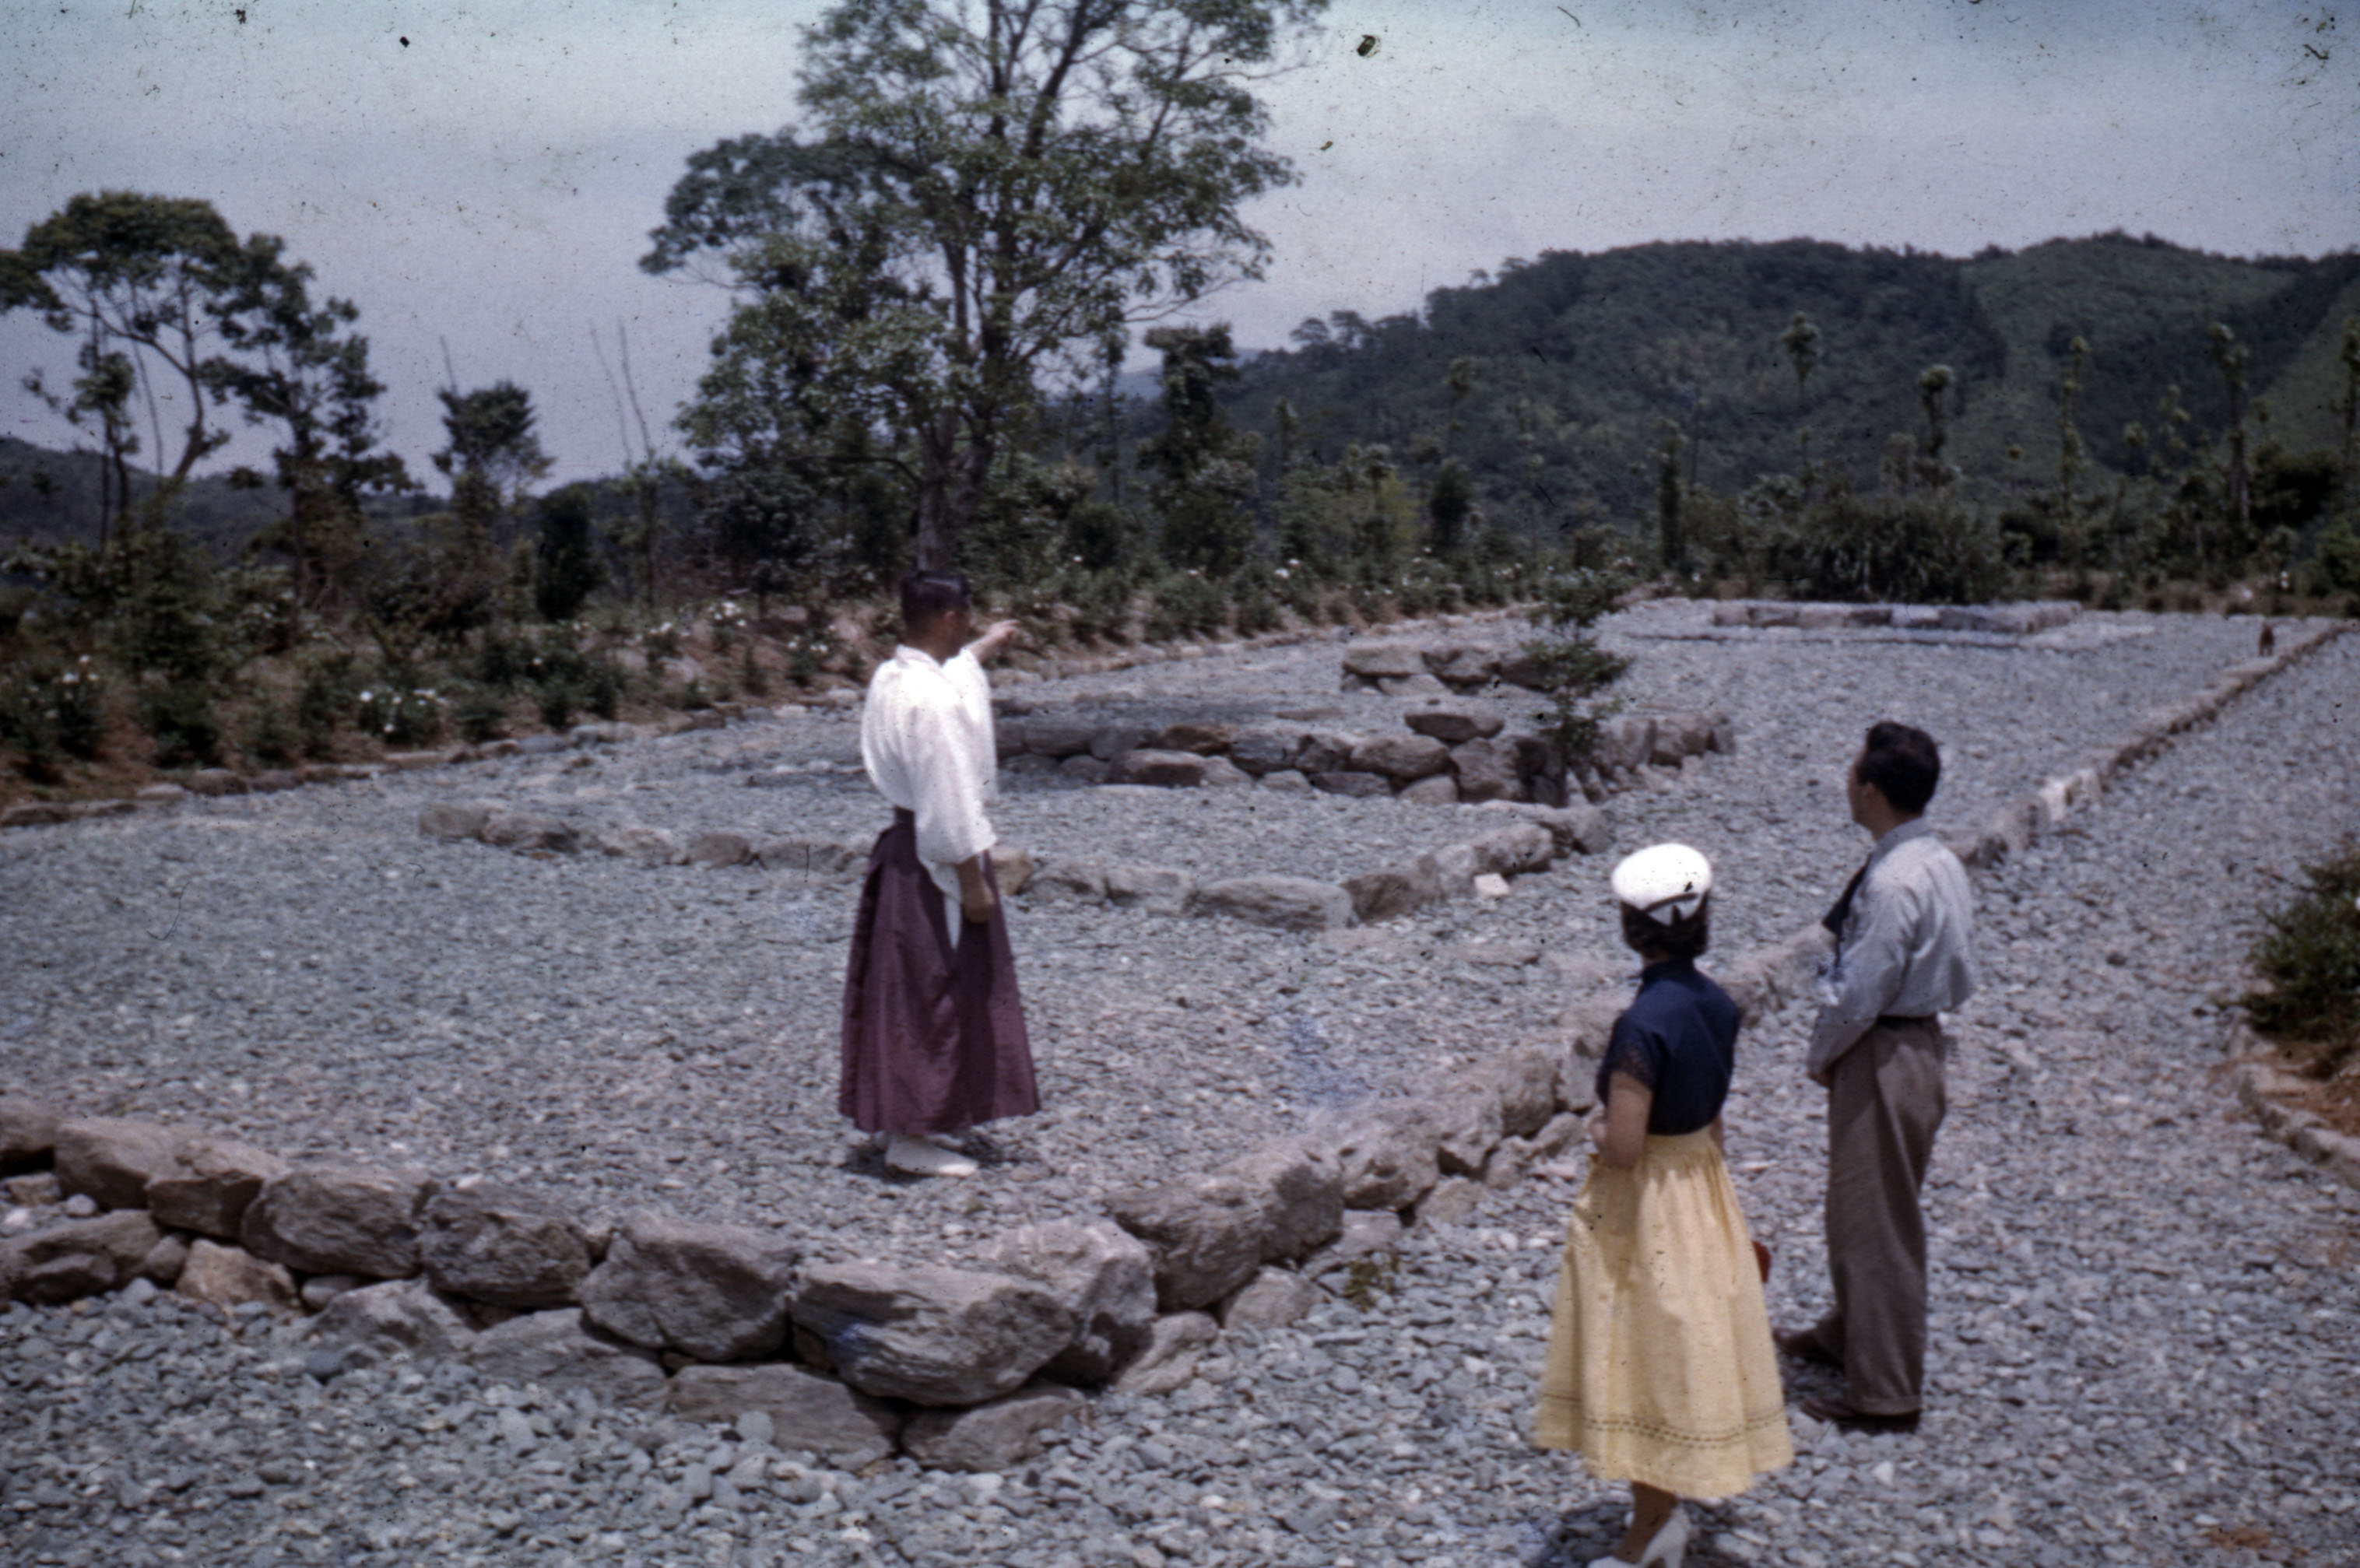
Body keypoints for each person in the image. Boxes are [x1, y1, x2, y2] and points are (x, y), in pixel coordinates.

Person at [1536, 844, 1793, 1568]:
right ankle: (1665, 1513)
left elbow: (1622, 1144)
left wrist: (1589, 1125)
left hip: (1647, 1202)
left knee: (1644, 1354)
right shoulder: (1717, 1002)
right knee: (1685, 1340)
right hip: (1701, 1184)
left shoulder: (1641, 1024)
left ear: (1630, 925)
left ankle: (1647, 1532)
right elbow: (1713, 1114)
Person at [1775, 721, 1976, 1433]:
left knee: (1874, 1221)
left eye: (1853, 770)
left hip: (1882, 1047)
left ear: (1872, 788)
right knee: (1872, 1205)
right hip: (1916, 1043)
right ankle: (1845, 1331)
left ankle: (1885, 1391)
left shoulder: (1891, 883)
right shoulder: (1933, 859)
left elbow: (1860, 990)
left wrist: (1821, 1054)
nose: (1846, 782)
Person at [838, 569, 1038, 1177]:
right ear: (951, 616)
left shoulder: (894, 676)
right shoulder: (930, 701)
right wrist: (975, 886)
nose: (971, 625)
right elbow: (949, 807)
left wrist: (986, 648)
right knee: (935, 990)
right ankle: (910, 1134)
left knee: (914, 986)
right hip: (937, 858)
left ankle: (931, 1114)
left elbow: (955, 673)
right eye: (969, 618)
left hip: (903, 851)